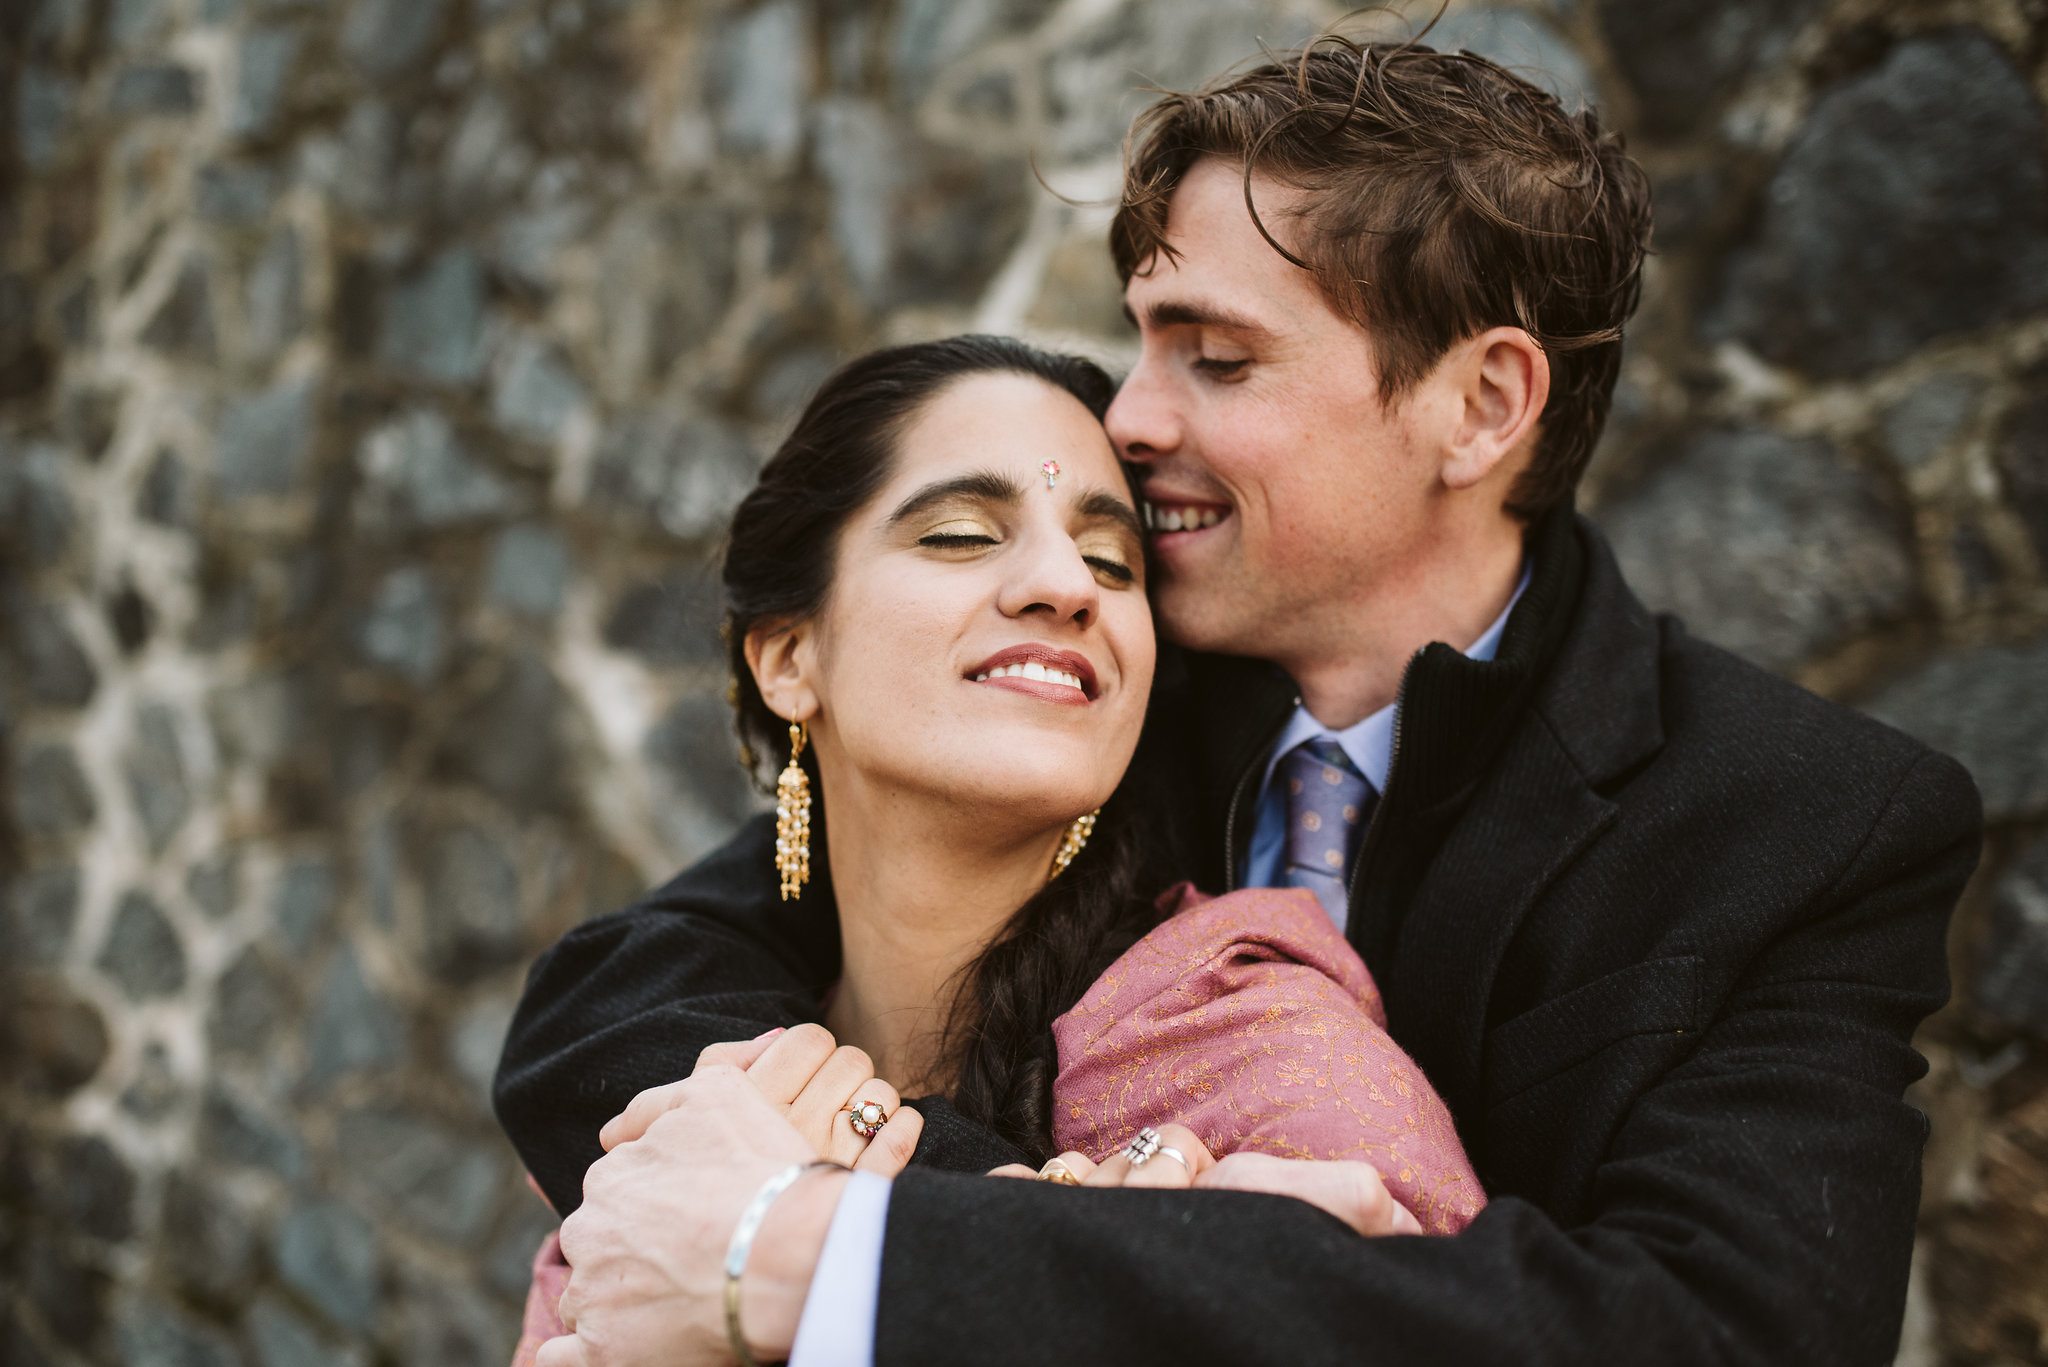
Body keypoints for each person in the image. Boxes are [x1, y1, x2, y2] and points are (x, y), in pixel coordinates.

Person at [497, 37, 1984, 1367]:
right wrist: (1002, 1199)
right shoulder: (1096, 677)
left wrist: (844, 1254)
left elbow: (1723, 1334)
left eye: (1215, 359)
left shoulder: (1799, 821)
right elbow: (627, 990)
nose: (1132, 421)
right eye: (1143, 341)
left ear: (1484, 403)